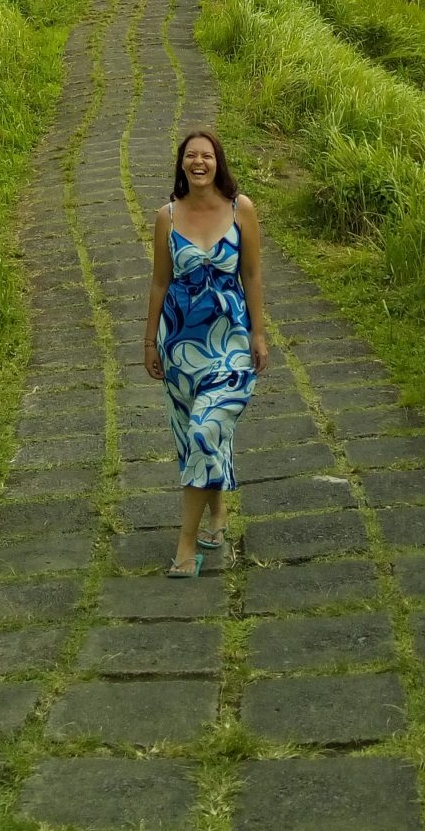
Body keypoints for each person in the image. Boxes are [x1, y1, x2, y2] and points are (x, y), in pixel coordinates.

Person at [143, 128, 267, 576]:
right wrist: (149, 340)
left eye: (207, 156)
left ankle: (184, 545)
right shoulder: (166, 216)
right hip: (178, 345)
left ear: (219, 163)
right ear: (181, 164)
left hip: (231, 342)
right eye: (190, 156)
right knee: (196, 435)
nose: (199, 163)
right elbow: (159, 281)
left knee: (203, 430)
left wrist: (259, 333)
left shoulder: (241, 209)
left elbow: (251, 275)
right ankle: (217, 515)